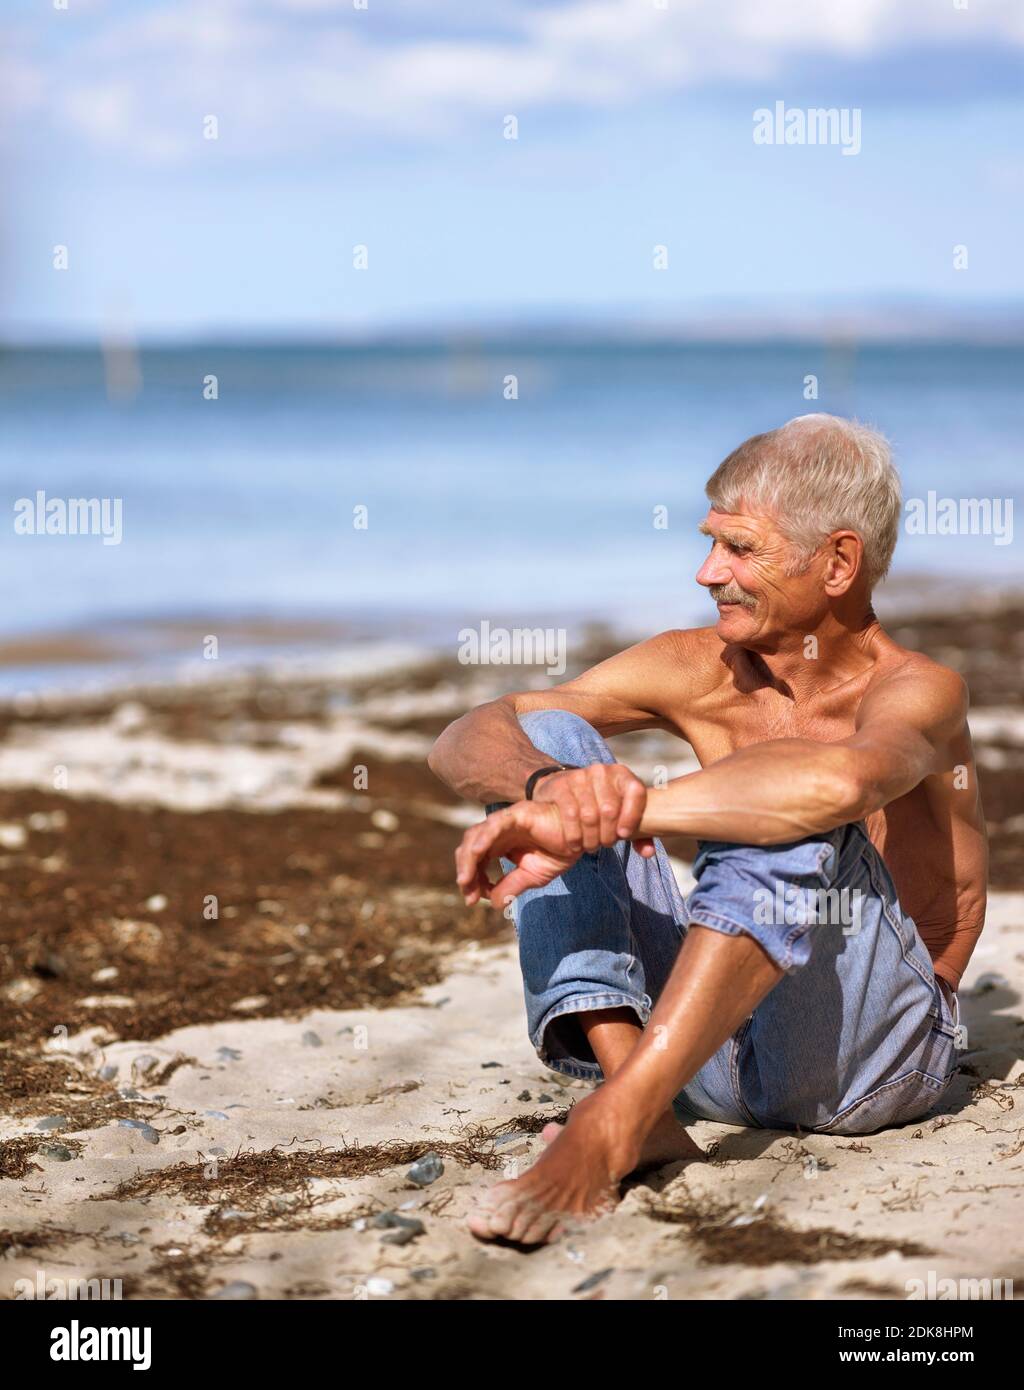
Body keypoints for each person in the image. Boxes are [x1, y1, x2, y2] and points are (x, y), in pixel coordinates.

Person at [428, 414, 986, 1247]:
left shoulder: (919, 692)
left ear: (838, 562)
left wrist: (622, 810)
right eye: (709, 543)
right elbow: (471, 730)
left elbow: (841, 781)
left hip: (868, 1060)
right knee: (550, 741)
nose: (707, 571)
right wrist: (548, 788)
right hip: (701, 1059)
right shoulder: (698, 666)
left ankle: (612, 1121)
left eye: (740, 549)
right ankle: (639, 1105)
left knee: (789, 798)